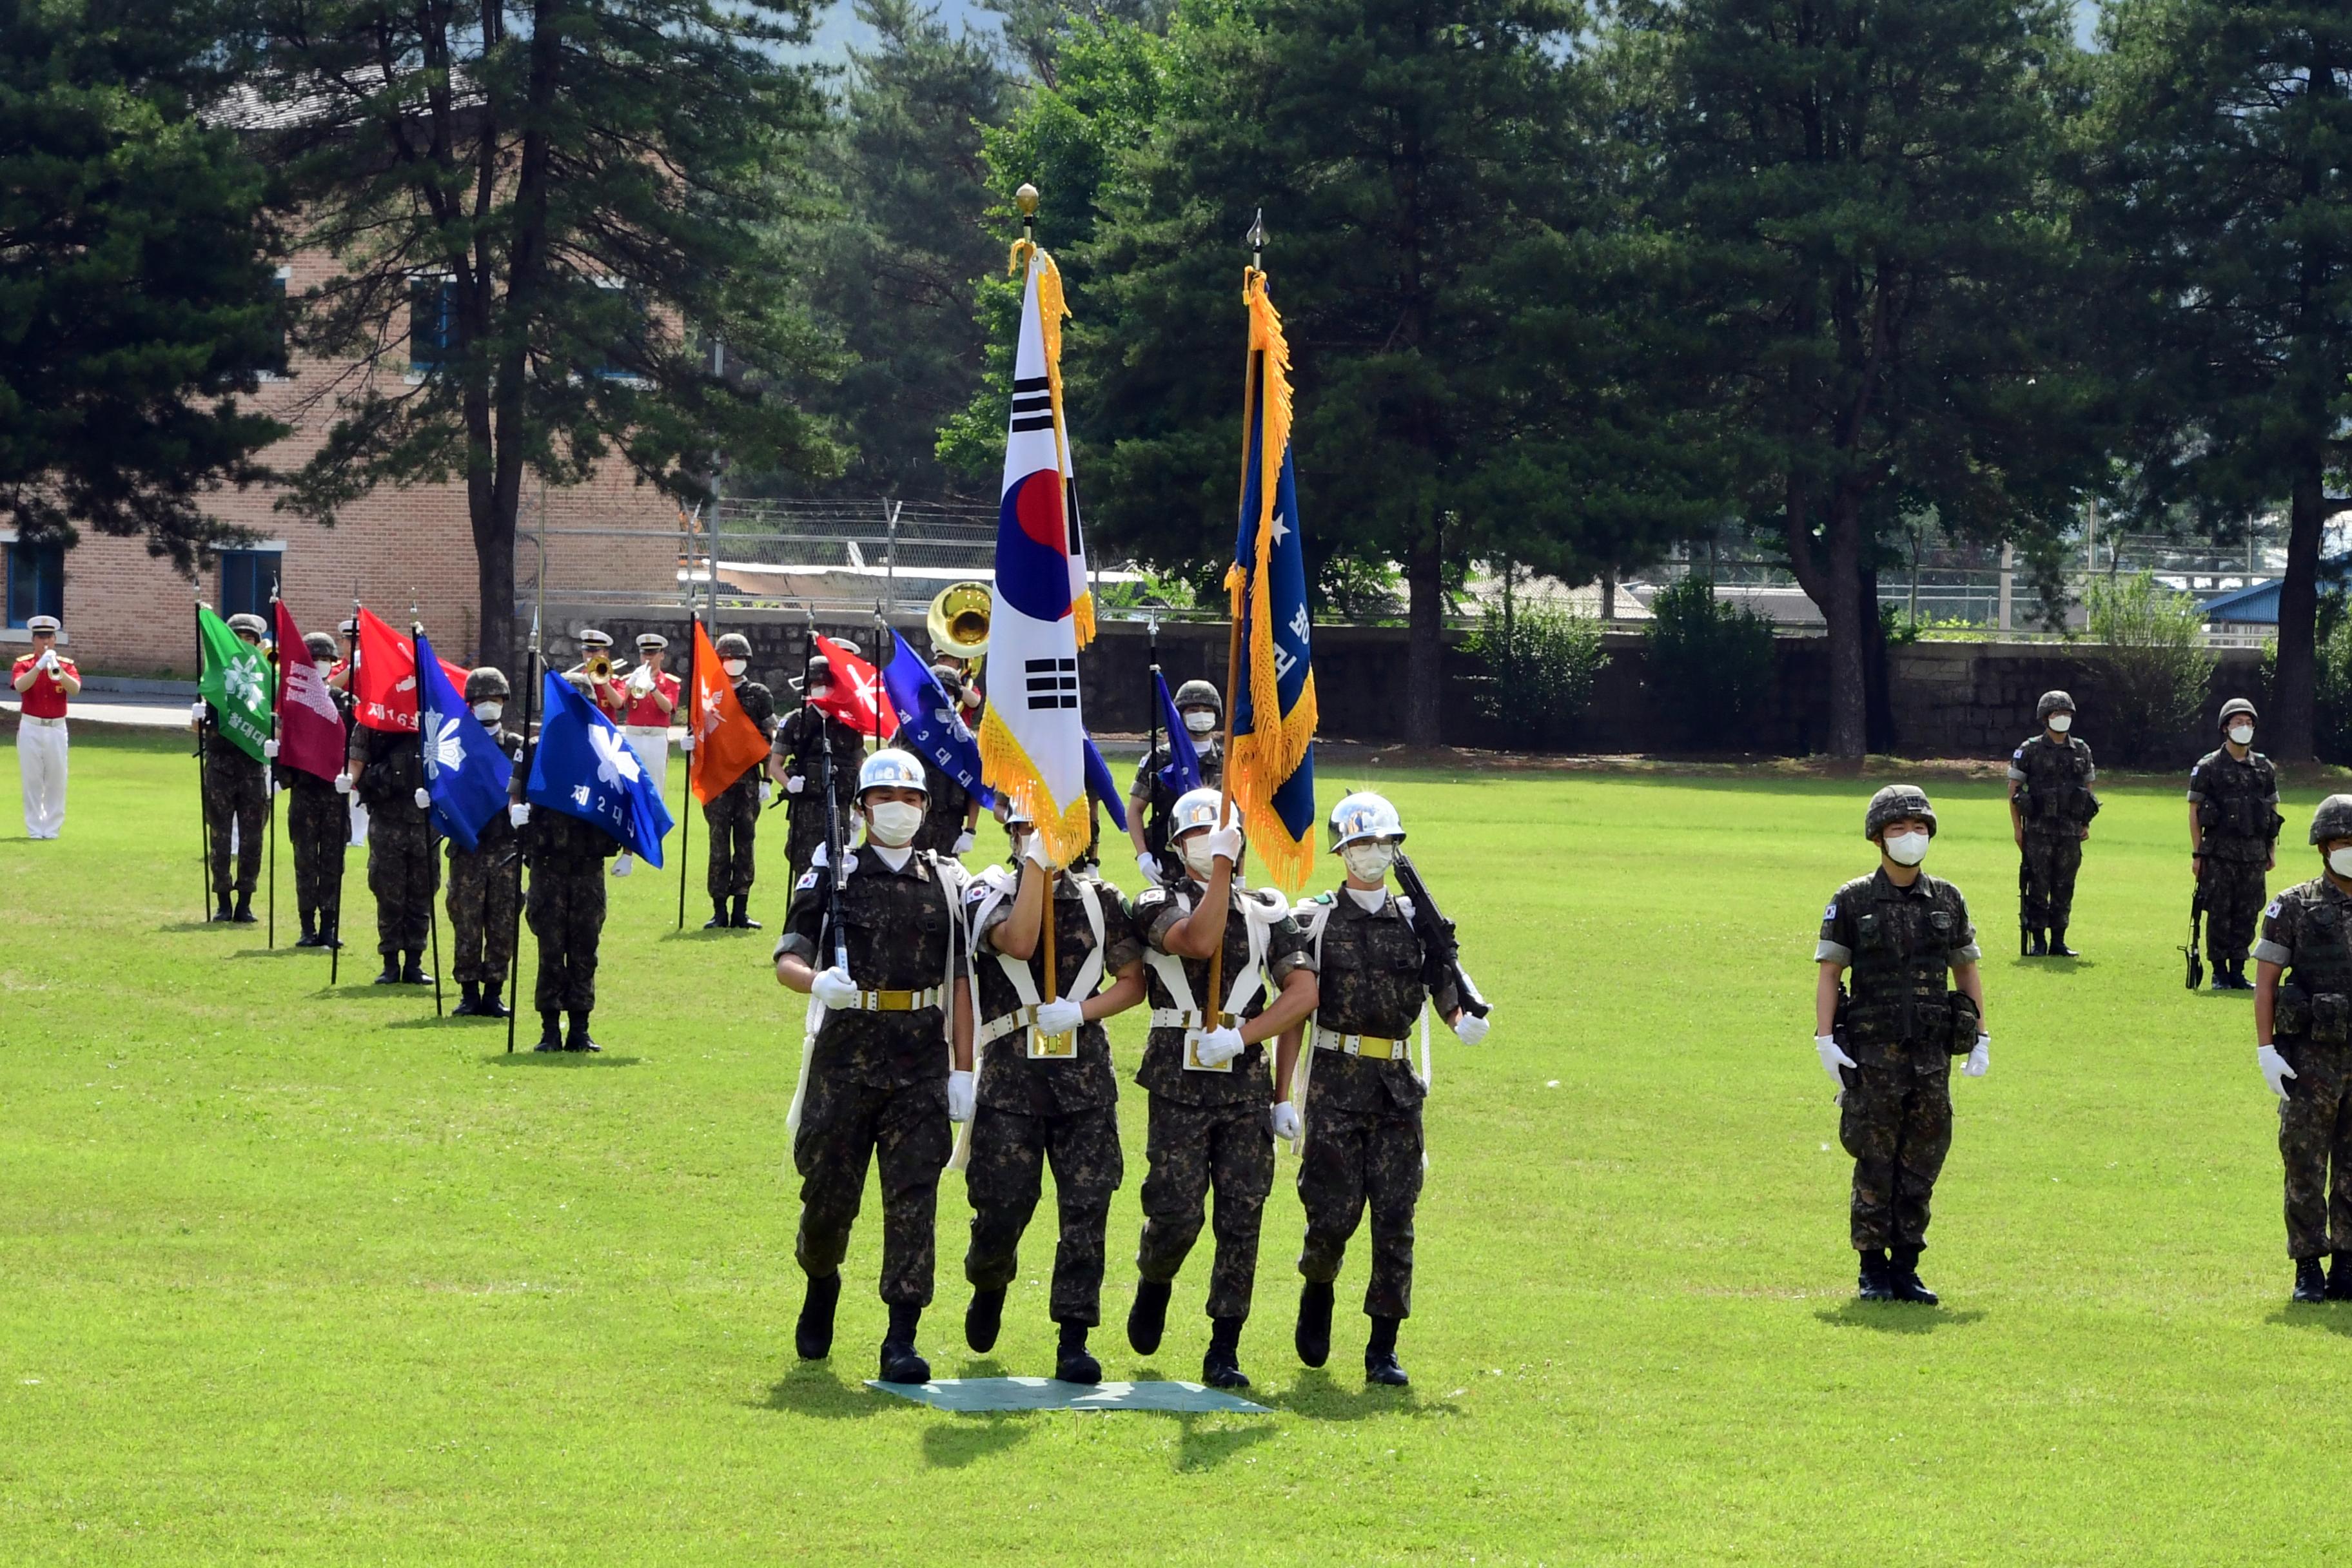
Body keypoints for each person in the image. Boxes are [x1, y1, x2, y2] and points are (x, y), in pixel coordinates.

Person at [1273, 792, 1488, 1387]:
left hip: (1396, 1089)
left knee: (1396, 1219)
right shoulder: (1314, 920)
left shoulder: (1415, 922)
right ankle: (1318, 1289)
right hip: (1335, 1087)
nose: (1373, 855)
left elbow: (1440, 980)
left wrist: (1459, 1017)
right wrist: (1283, 1095)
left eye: (1384, 845)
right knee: (1331, 1215)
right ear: (1344, 851)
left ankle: (1382, 1348)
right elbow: (1295, 1010)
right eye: (1363, 845)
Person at [774, 748, 975, 1385]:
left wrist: (964, 1070)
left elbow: (964, 980)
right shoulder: (832, 871)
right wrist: (816, 983)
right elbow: (787, 954)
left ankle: (902, 1335)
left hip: (919, 1053)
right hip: (846, 1054)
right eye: (885, 797)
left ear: (925, 808)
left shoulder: (947, 880)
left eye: (911, 799)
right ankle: (821, 1280)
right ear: (862, 806)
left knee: (913, 1197)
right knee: (829, 1197)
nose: (899, 808)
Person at [1124, 787, 1320, 1389]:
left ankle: (1224, 1346)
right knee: (1177, 1212)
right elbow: (1199, 941)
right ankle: (1155, 1280)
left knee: (1242, 1217)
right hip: (1178, 1081)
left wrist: (1246, 1041)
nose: (1209, 845)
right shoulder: (1154, 900)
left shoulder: (1265, 908)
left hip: (1242, 1083)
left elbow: (1303, 992)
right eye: (1198, 837)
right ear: (1178, 844)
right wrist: (1222, 873)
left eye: (1221, 836)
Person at [960, 802, 1148, 1384]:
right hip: (1010, 1085)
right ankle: (989, 1284)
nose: (1032, 839)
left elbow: (1133, 982)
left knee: (1086, 1212)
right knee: (1001, 1208)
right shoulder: (986, 891)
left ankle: (1074, 1335)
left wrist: (1083, 1011)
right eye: (1023, 830)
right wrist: (1036, 866)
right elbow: (1017, 944)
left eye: (1048, 834)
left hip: (1084, 1083)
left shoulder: (1101, 899)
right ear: (1010, 834)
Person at [1814, 785, 1990, 1305]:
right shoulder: (1852, 900)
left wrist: (1981, 1035)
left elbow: (1966, 970)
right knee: (1874, 1159)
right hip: (1873, 1055)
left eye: (1918, 829)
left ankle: (1907, 1266)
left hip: (1931, 1057)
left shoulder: (1947, 899)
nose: (1909, 838)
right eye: (1897, 829)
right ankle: (1872, 1268)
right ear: (1877, 839)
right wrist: (1825, 1039)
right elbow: (1829, 973)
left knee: (1922, 1161)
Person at [2251, 794, 2352, 1304]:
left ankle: (2349, 1263)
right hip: (2308, 1059)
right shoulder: (2293, 906)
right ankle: (2308, 1265)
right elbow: (2266, 982)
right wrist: (2266, 1049)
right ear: (2322, 847)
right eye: (2341, 842)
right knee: (2305, 1161)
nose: (2349, 850)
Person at [516, 676, 624, 1051]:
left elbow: (624, 799)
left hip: (587, 866)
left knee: (584, 949)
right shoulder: (536, 749)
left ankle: (580, 1027)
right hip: (547, 865)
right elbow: (516, 791)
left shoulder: (604, 749)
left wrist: (627, 850)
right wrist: (516, 813)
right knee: (549, 949)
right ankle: (549, 1028)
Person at [446, 668, 525, 1017]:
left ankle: (494, 991)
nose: (488, 705)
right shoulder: (455, 742)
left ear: (504, 702)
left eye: (494, 699)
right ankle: (468, 992)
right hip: (469, 847)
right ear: (470, 704)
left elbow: (529, 789)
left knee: (503, 922)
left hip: (506, 848)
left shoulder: (517, 748)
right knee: (466, 920)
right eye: (481, 700)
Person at [346, 683, 435, 983]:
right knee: (388, 889)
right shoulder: (374, 719)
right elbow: (357, 758)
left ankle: (414, 962)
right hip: (387, 818)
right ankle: (390, 962)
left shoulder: (433, 718)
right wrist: (348, 779)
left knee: (422, 891)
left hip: (424, 820)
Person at [2191, 698, 2282, 990]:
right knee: (2219, 911)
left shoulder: (2265, 768)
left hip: (2254, 853)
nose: (2244, 728)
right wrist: (2197, 853)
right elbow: (2194, 811)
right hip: (2219, 853)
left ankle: (2238, 970)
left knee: (2248, 912)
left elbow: (2273, 811)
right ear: (2225, 728)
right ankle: (2219, 971)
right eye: (2237, 722)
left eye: (2248, 723)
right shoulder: (2209, 766)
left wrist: (2271, 850)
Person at [2007, 689, 2099, 957]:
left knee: (2064, 886)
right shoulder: (2030, 749)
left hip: (2070, 832)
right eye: (2057, 714)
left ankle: (2058, 940)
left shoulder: (2081, 749)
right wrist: (2017, 829)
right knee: (2038, 886)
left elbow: (2088, 788)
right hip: (2038, 832)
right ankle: (2039, 940)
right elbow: (2014, 790)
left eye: (2067, 714)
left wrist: (2086, 823)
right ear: (2045, 718)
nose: (2063, 718)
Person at [695, 631, 778, 928]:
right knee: (718, 845)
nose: (733, 663)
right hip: (717, 779)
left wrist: (767, 782)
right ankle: (719, 910)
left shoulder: (759, 694)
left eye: (739, 658)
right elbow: (700, 727)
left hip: (747, 780)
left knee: (746, 843)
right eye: (728, 658)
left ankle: (741, 909)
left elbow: (769, 739)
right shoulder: (706, 692)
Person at [192, 612, 270, 923]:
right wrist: (199, 715)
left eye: (249, 639)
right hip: (221, 768)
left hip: (252, 770)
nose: (243, 643)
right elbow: (195, 728)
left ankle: (245, 901)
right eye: (237, 638)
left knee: (253, 838)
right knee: (220, 836)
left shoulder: (265, 682)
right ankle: (223, 900)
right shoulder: (214, 682)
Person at [772, 652, 861, 897]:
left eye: (827, 685)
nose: (822, 689)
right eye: (816, 685)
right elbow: (775, 764)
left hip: (838, 808)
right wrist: (789, 783)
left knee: (838, 869)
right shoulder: (795, 721)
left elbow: (859, 767)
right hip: (806, 810)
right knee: (804, 870)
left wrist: (860, 811)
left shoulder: (849, 723)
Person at [284, 631, 352, 947]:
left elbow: (358, 744)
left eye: (327, 660)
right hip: (305, 792)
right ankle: (307, 926)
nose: (322, 665)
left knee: (333, 864)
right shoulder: (292, 701)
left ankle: (330, 926)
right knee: (305, 861)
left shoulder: (346, 703)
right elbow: (288, 742)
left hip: (334, 793)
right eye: (316, 660)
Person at [1128, 680, 1224, 885]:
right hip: (1168, 862)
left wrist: (1240, 872)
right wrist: (1143, 856)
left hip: (1216, 863)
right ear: (1180, 714)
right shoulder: (1160, 758)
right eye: (1194, 709)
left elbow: (1239, 816)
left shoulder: (1228, 760)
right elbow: (1135, 810)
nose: (1201, 715)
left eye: (1207, 710)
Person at [12, 613, 79, 839]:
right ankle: (34, 829)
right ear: (33, 640)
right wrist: (39, 666)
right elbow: (20, 686)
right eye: (40, 637)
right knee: (32, 780)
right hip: (31, 726)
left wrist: (56, 669)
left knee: (56, 780)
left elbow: (75, 689)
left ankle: (51, 829)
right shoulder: (24, 664)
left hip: (57, 728)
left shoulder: (65, 665)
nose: (45, 641)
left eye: (49, 637)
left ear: (55, 639)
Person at [914, 664, 982, 859]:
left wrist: (970, 831)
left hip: (950, 823)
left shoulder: (966, 740)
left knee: (950, 882)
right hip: (915, 821)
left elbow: (975, 787)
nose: (943, 695)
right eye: (937, 690)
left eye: (949, 691)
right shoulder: (910, 732)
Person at [616, 632, 680, 803]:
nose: (648, 658)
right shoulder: (631, 679)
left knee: (655, 785)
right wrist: (630, 684)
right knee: (629, 783)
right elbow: (620, 703)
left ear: (662, 655)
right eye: (645, 654)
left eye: (652, 654)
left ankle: (654, 826)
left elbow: (668, 707)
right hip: (634, 735)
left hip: (655, 737)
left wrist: (653, 688)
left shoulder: (669, 682)